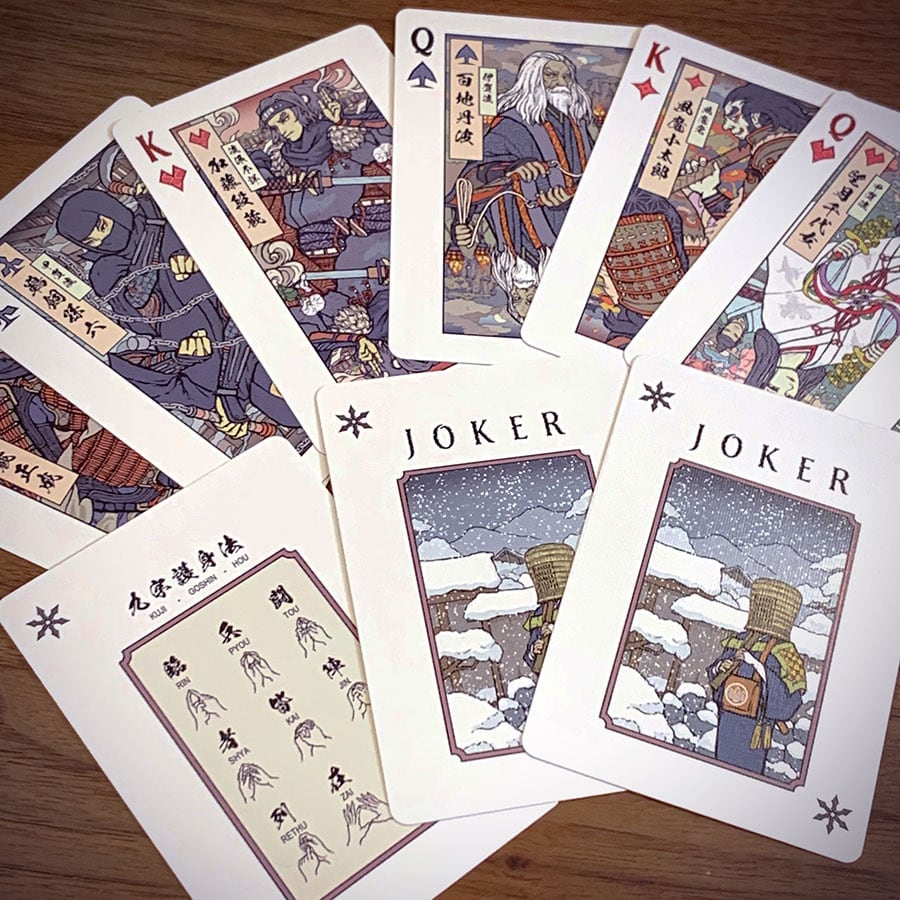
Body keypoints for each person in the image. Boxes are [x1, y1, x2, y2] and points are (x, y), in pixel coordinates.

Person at [598, 84, 815, 346]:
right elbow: (747, 220)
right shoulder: (765, 151)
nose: (729, 126)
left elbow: (755, 228)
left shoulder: (773, 152)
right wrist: (709, 191)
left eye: (734, 115)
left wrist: (706, 196)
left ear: (758, 115)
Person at [451, 51, 597, 323]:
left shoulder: (577, 126)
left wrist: (571, 195)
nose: (561, 82)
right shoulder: (511, 124)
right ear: (533, 80)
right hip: (521, 227)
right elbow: (475, 175)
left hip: (569, 226)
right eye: (551, 75)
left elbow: (594, 176)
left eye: (566, 76)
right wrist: (513, 169)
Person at [707, 578, 807, 777]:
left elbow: (791, 699)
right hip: (729, 717)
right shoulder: (740, 639)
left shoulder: (786, 651)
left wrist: (757, 665)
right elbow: (715, 672)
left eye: (769, 607)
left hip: (756, 725)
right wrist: (721, 667)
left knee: (747, 772)